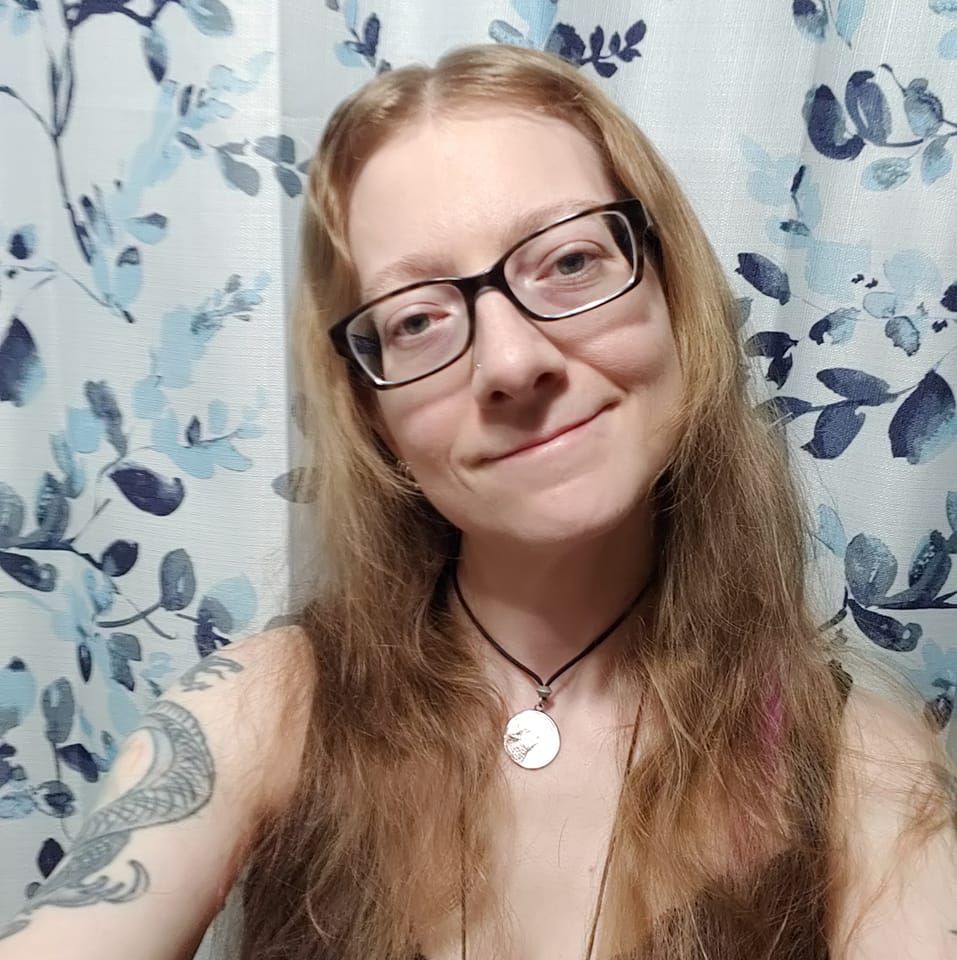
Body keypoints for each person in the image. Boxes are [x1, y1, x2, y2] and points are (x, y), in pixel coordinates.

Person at [1, 42, 955, 960]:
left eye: (570, 262)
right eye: (416, 319)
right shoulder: (265, 712)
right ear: (371, 414)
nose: (511, 361)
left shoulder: (857, 760)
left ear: (676, 297)